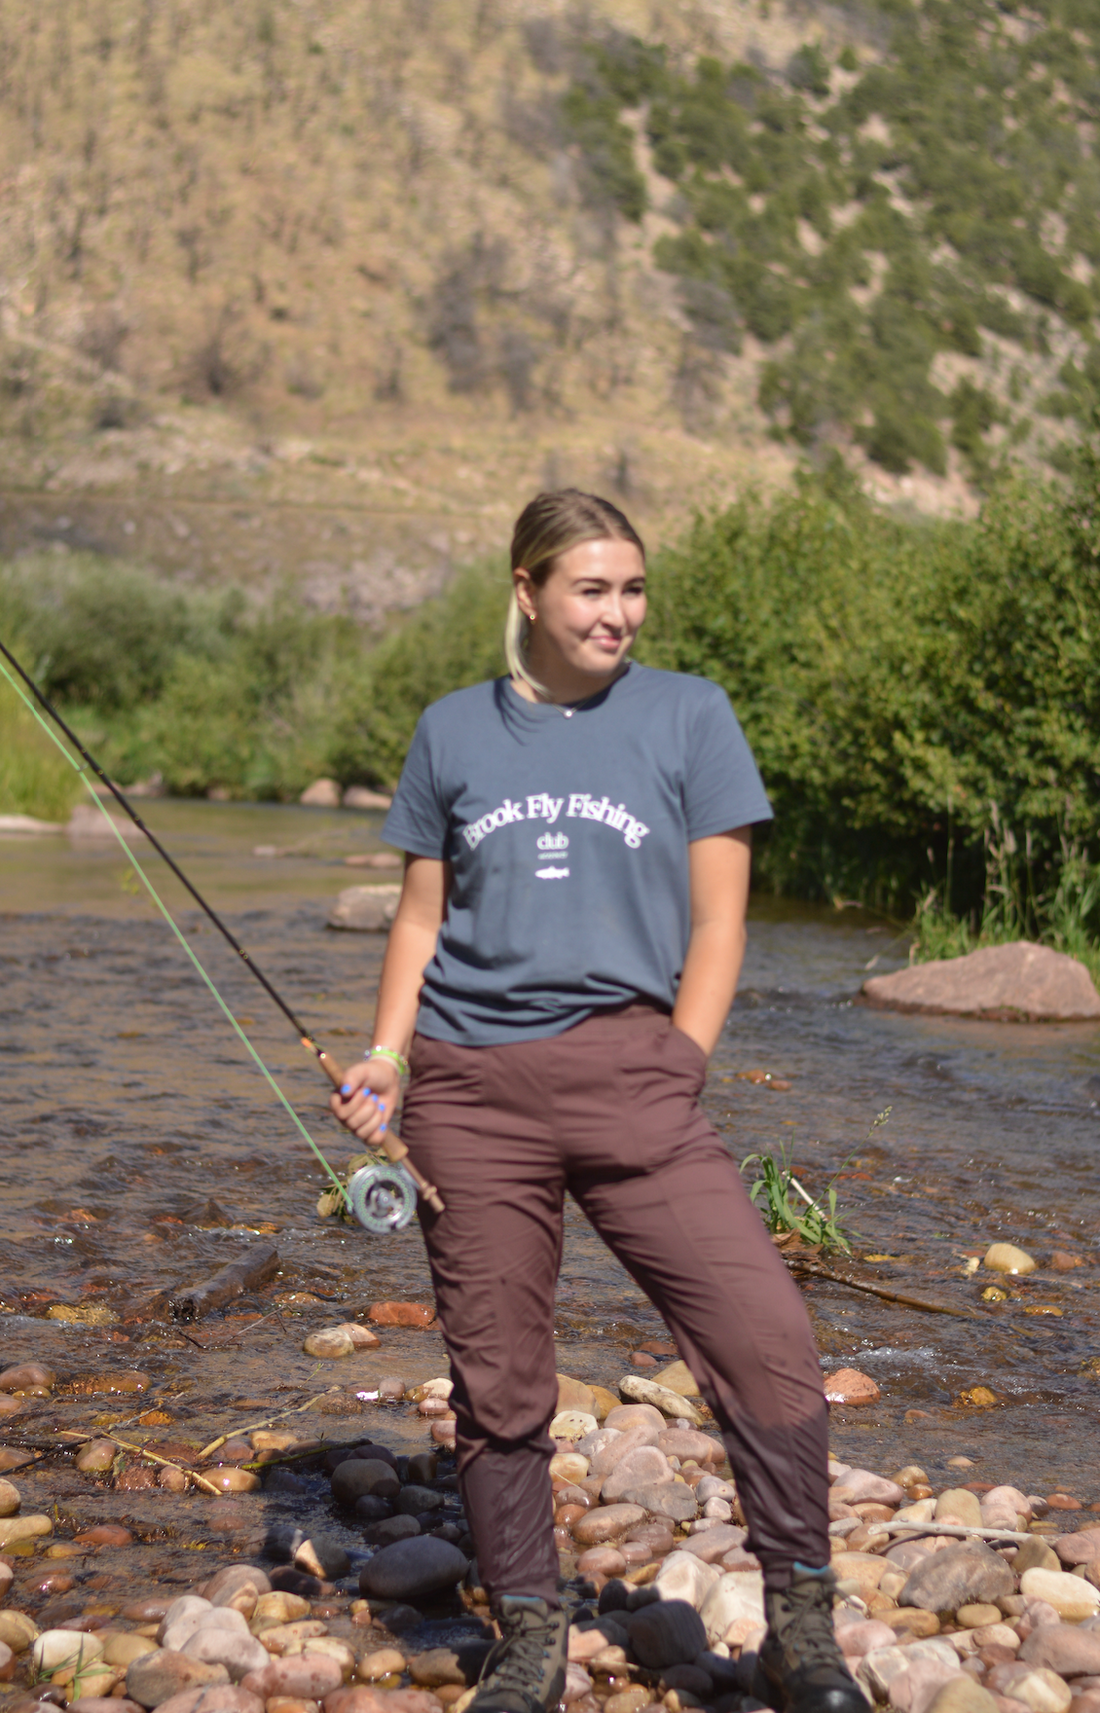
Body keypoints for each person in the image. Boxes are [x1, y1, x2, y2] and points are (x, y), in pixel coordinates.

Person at [332, 490, 862, 1713]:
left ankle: (799, 1631)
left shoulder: (688, 714)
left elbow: (721, 920)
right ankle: (529, 1637)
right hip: (469, 1097)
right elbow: (419, 919)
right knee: (499, 1384)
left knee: (767, 1346)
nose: (616, 612)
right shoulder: (451, 729)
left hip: (637, 1084)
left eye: (631, 589)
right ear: (526, 591)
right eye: (590, 589)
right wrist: (387, 1058)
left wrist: (682, 1058)